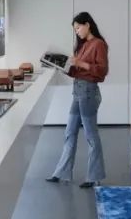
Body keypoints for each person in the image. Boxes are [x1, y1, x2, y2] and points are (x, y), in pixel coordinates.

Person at [47, 12, 109, 188]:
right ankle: (61, 173)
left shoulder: (99, 44)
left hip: (88, 92)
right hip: (78, 91)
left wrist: (80, 63)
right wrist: (62, 66)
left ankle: (94, 177)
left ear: (87, 24)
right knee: (70, 132)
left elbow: (102, 71)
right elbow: (77, 72)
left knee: (91, 135)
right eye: (75, 30)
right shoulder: (82, 46)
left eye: (78, 28)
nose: (77, 32)